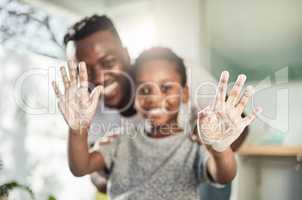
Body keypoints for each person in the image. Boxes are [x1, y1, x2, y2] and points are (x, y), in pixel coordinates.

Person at [52, 47, 262, 199]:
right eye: (144, 89)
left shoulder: (194, 144)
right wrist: (78, 128)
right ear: (134, 95)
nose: (154, 97)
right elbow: (80, 167)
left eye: (166, 88)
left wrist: (219, 148)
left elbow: (224, 175)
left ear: (185, 94)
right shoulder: (119, 140)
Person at [62, 15, 140, 193]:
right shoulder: (87, 113)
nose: (99, 78)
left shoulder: (174, 75)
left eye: (108, 62)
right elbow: (87, 170)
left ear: (127, 55)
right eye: (84, 70)